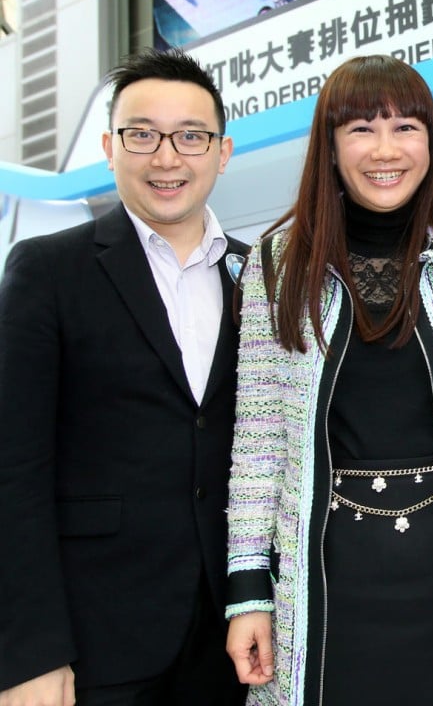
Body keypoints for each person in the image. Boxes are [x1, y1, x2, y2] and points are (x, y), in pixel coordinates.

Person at [224, 54, 433, 706]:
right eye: (361, 129)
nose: (385, 150)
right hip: (330, 590)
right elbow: (258, 440)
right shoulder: (278, 265)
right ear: (330, 148)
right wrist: (248, 591)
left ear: (431, 141)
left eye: (406, 128)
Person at [0, 48, 248, 705]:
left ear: (222, 152)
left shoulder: (264, 275)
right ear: (111, 147)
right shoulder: (49, 271)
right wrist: (28, 653)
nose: (167, 158)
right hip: (94, 645)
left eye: (192, 136)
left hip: (234, 641)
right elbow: (13, 469)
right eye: (143, 135)